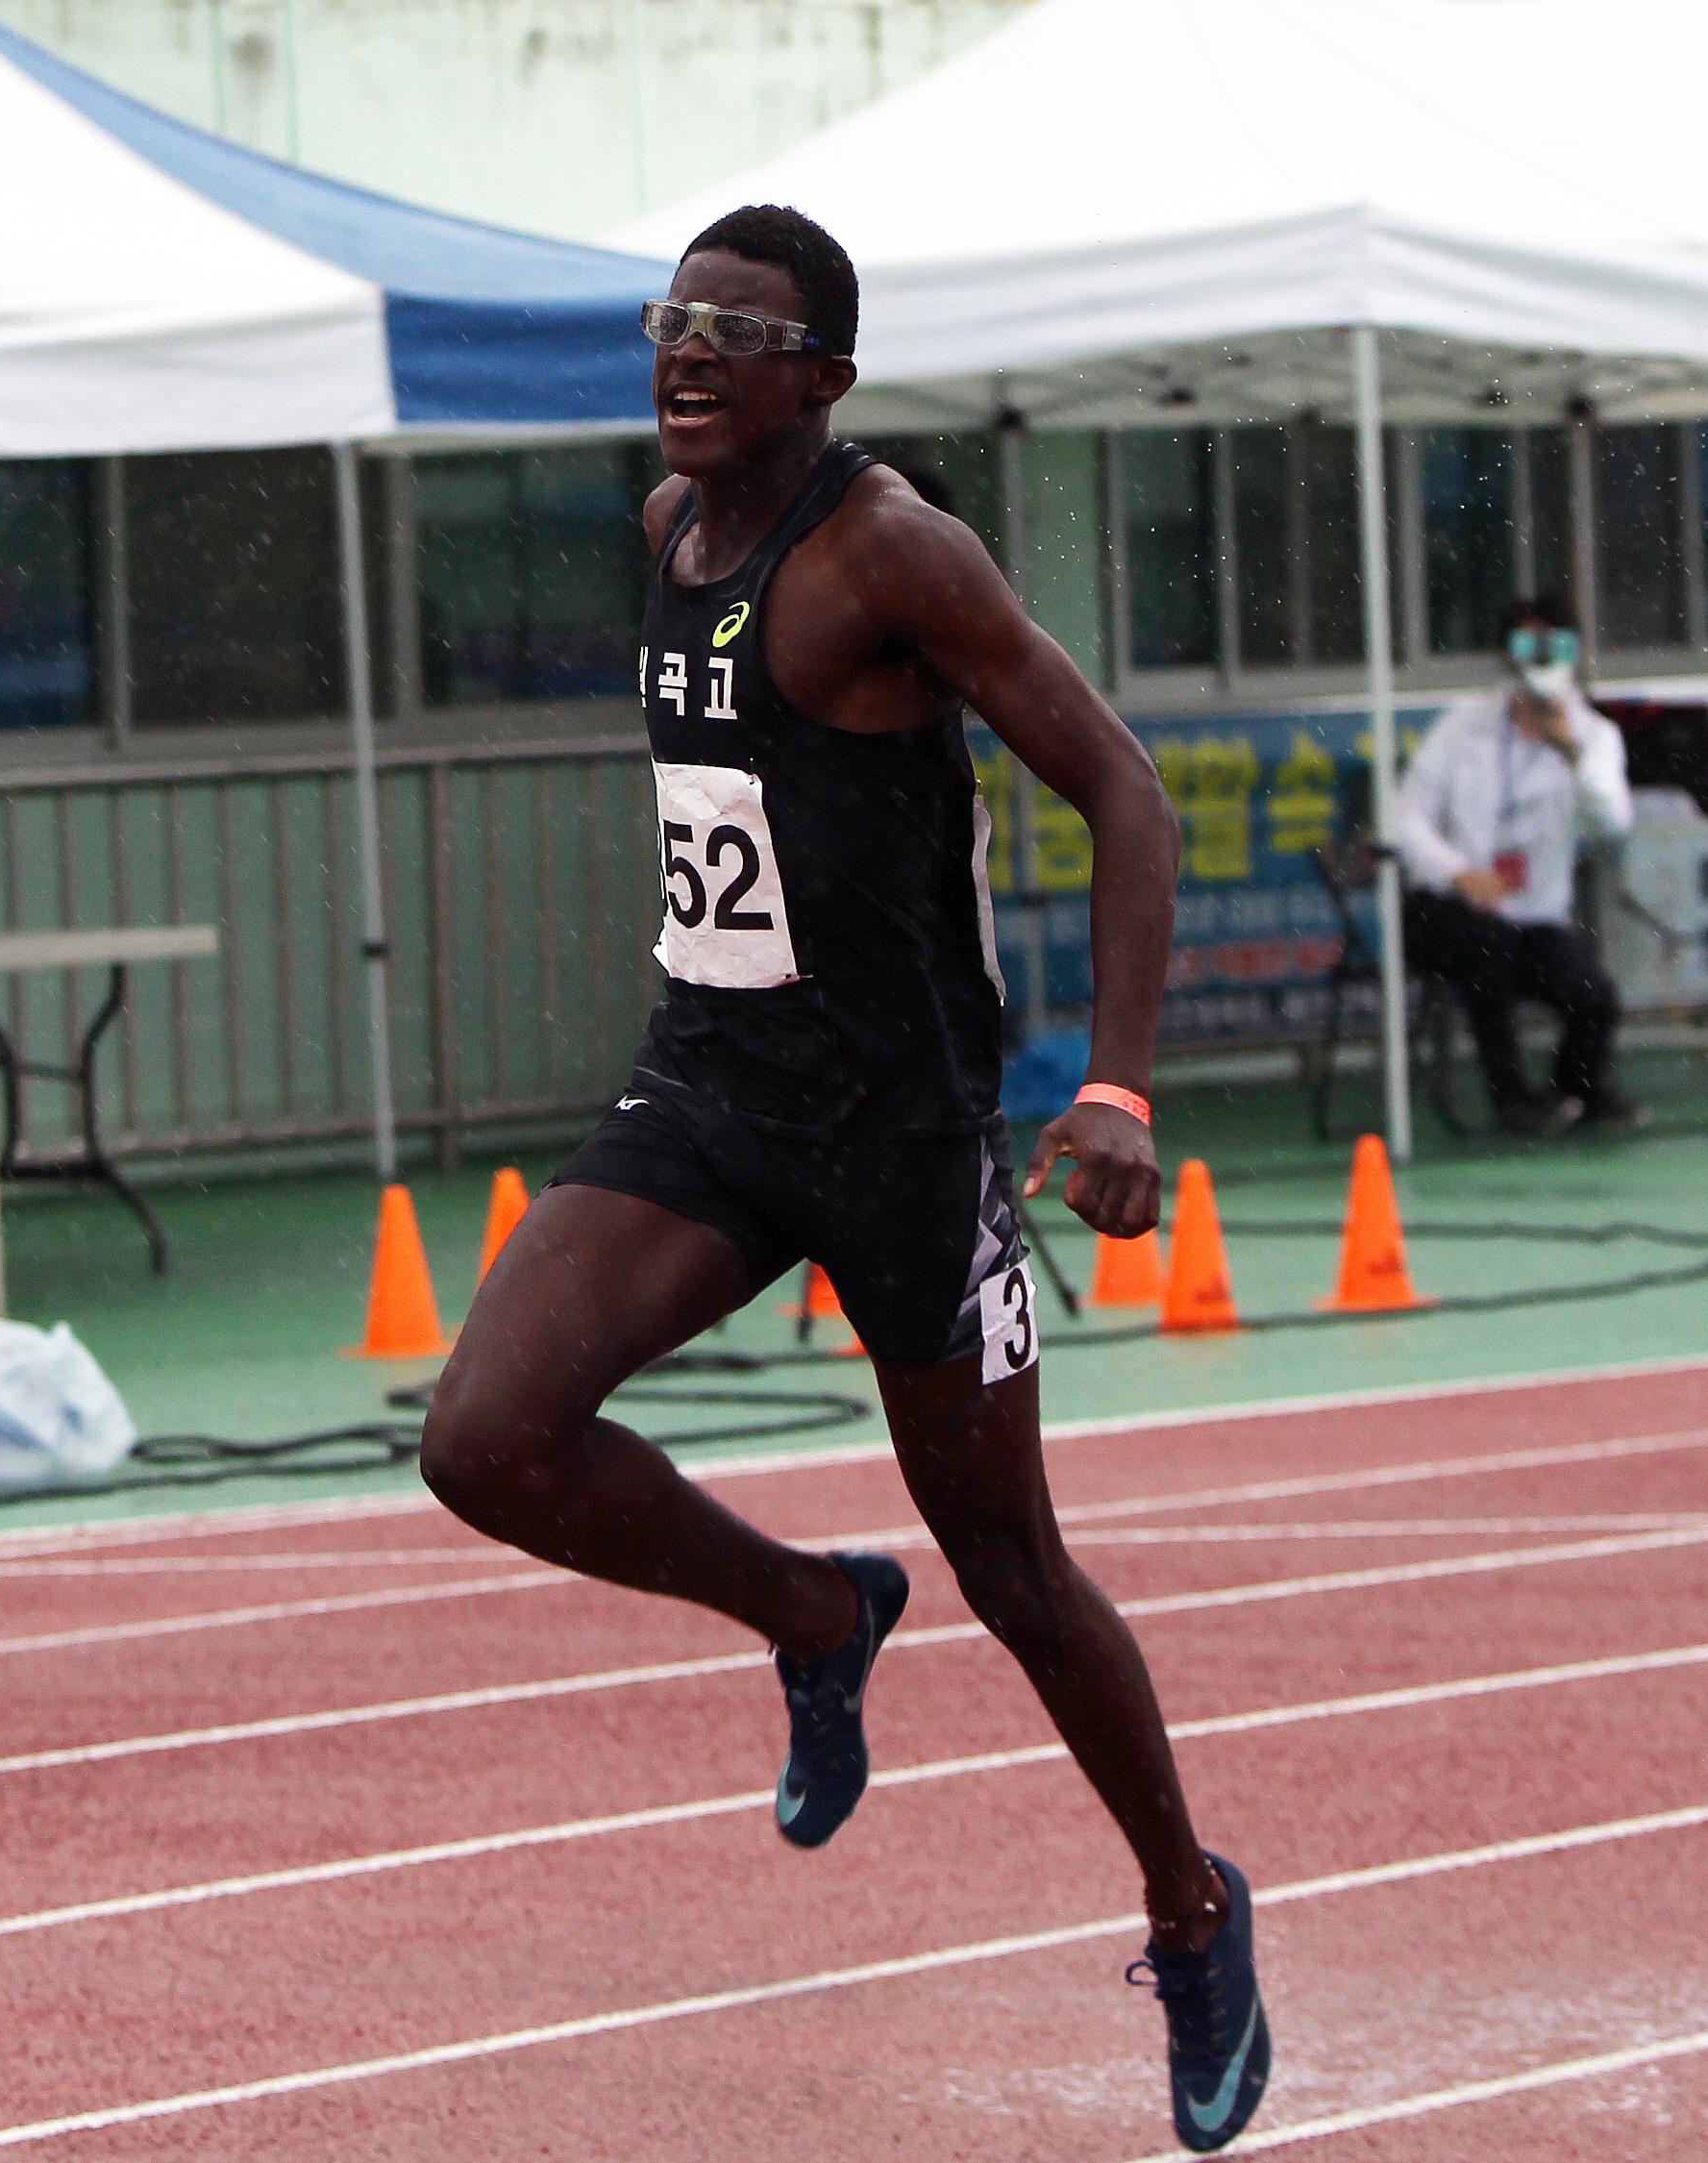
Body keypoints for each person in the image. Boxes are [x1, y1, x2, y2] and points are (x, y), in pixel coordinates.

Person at [416, 209, 1267, 2154]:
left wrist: (1115, 1088)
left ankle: (1189, 1910)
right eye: (671, 320)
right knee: (484, 1435)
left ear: (824, 376)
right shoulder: (661, 533)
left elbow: (1117, 790)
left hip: (897, 1135)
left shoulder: (887, 549)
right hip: (708, 1090)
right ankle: (808, 1616)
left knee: (1012, 1572)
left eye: (740, 329)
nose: (690, 351)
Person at [1391, 594, 1636, 1132]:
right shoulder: (1462, 728)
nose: (1541, 659)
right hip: (1448, 908)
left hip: (1533, 919)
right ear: (1508, 655)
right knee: (1487, 951)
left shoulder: (1594, 737)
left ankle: (1572, 1092)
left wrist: (1572, 755)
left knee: (1595, 996)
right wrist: (1457, 870)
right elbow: (1405, 818)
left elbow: (1613, 824)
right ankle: (1511, 1100)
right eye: (1528, 645)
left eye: (1554, 646)